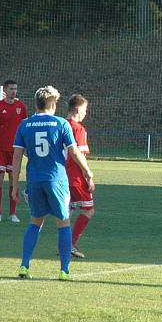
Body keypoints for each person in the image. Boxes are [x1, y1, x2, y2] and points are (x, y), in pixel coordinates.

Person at [10, 86, 94, 281]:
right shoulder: (61, 124)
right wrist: (87, 171)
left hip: (34, 180)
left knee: (35, 222)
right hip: (56, 180)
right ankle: (64, 271)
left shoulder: (24, 125)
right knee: (63, 223)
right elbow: (74, 152)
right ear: (53, 104)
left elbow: (16, 158)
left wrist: (14, 184)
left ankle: (24, 266)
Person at [0, 80, 28, 222]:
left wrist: (26, 145)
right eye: (11, 89)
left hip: (15, 150)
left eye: (15, 89)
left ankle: (12, 214)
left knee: (13, 180)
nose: (13, 91)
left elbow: (25, 128)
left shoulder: (21, 106)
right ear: (5, 90)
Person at [66, 94, 94, 258]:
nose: (85, 113)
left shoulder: (60, 124)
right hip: (75, 177)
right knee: (88, 210)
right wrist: (89, 175)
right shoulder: (78, 129)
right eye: (84, 109)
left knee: (68, 211)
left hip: (60, 176)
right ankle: (70, 244)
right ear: (77, 109)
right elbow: (80, 155)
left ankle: (65, 244)